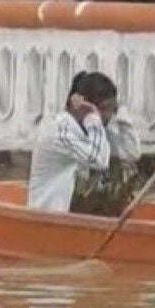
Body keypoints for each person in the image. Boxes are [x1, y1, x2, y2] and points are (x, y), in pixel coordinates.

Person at [28, 71, 140, 214]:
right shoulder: (60, 132)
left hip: (79, 210)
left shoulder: (95, 129)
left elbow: (131, 153)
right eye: (104, 109)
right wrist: (93, 117)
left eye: (112, 110)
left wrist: (122, 115)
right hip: (52, 215)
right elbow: (99, 160)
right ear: (83, 107)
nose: (109, 116)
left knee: (126, 170)